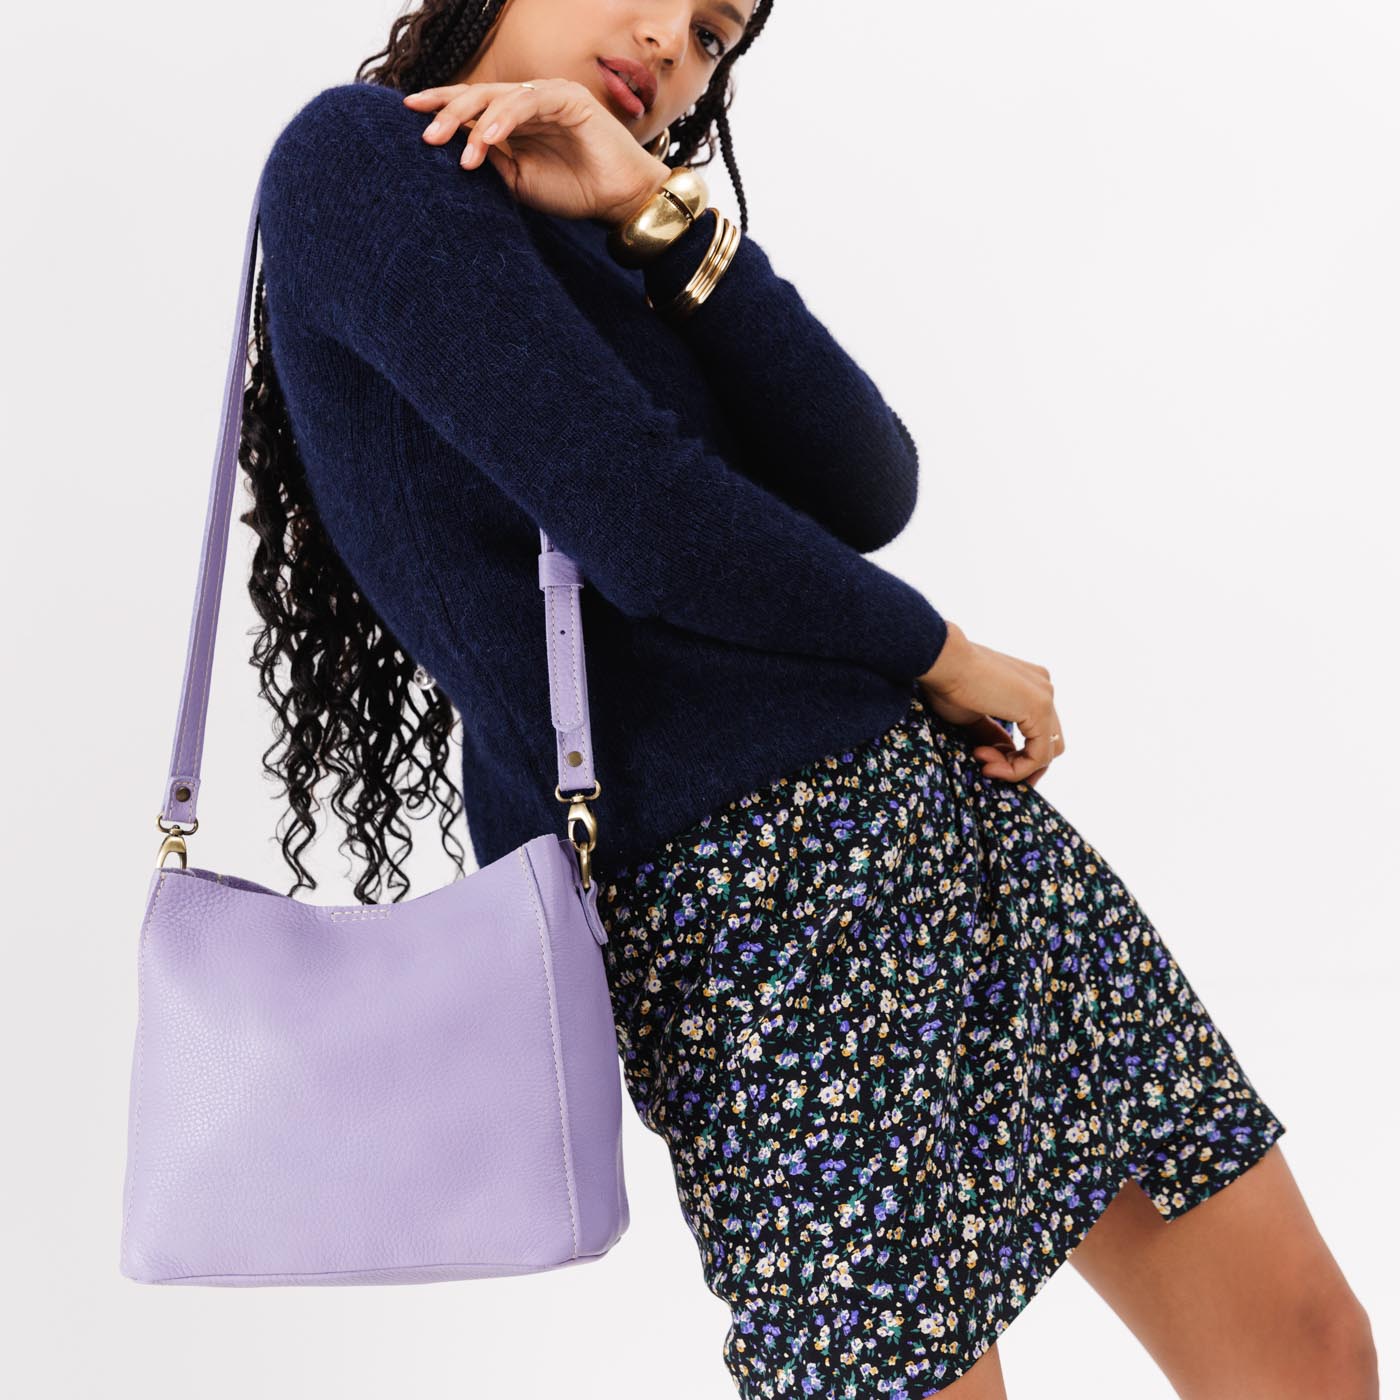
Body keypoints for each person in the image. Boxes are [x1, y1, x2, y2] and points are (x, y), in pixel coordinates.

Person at [248, 1, 1376, 1395]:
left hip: (952, 839)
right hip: (743, 924)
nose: (669, 41)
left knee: (1309, 1348)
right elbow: (647, 519)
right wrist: (940, 651)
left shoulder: (611, 208)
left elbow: (867, 481)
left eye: (714, 32)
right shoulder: (360, 160)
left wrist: (660, 216)